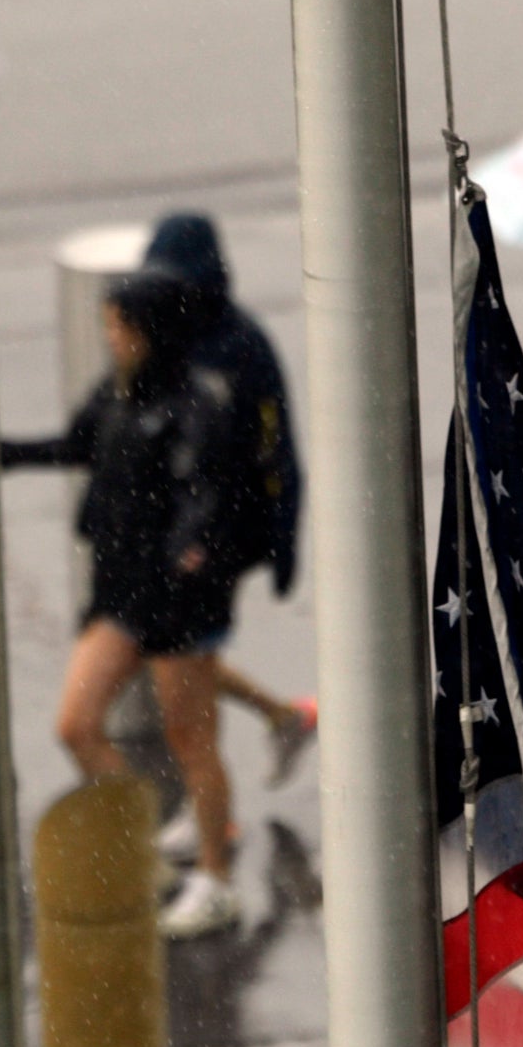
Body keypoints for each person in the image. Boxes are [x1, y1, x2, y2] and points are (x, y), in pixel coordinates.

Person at [1, 271, 265, 938]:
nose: (109, 336)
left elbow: (210, 498)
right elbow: (75, 445)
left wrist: (189, 554)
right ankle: (143, 849)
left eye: (118, 325)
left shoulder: (195, 406)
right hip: (119, 596)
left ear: (149, 332)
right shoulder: (119, 390)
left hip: (177, 608)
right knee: (78, 725)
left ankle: (216, 880)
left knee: (192, 742)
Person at [133, 214, 316, 850]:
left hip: (217, 538)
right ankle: (282, 721)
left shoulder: (240, 348)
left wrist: (283, 537)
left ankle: (215, 829)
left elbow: (276, 448)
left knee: (176, 668)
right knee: (182, 660)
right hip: (178, 534)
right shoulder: (167, 337)